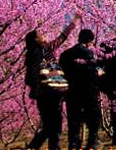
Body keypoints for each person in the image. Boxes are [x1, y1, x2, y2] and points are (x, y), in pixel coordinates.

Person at [25, 13, 81, 150]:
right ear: (37, 40)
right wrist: (74, 22)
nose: (44, 36)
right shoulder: (43, 50)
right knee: (54, 124)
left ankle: (46, 147)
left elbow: (31, 77)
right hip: (51, 91)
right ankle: (41, 147)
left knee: (50, 125)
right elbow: (62, 38)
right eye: (41, 35)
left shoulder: (31, 55)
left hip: (42, 93)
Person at [59, 29, 102, 150]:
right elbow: (93, 73)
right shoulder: (89, 54)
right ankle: (92, 143)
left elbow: (60, 74)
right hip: (88, 92)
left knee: (74, 120)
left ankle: (73, 144)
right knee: (93, 119)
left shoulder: (65, 54)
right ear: (89, 40)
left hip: (71, 92)